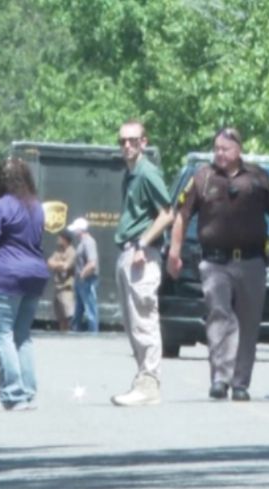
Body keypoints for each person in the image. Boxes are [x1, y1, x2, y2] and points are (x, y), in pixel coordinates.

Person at [167, 127, 269, 402]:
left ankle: (241, 382)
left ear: (239, 150)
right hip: (214, 262)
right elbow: (181, 216)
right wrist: (174, 252)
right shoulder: (203, 177)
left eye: (226, 149)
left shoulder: (258, 177)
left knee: (248, 323)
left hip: (251, 262)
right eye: (217, 148)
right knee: (218, 316)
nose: (220, 154)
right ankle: (220, 379)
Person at [110, 119, 176, 406]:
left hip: (142, 256)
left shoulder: (148, 173)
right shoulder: (130, 174)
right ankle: (142, 380)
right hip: (127, 252)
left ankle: (150, 383)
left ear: (144, 142)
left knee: (144, 320)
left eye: (133, 140)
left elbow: (167, 213)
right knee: (131, 321)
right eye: (123, 141)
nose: (127, 146)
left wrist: (143, 242)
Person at [0, 158, 49, 411]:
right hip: (34, 275)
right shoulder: (37, 208)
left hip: (5, 276)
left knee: (4, 336)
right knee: (23, 336)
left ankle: (14, 393)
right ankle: (27, 391)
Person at [68, 217, 99, 333]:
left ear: (80, 230)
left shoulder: (89, 242)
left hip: (88, 280)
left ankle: (94, 334)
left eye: (75, 229)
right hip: (82, 281)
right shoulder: (83, 243)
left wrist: (82, 274)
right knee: (79, 309)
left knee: (90, 309)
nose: (74, 232)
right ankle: (76, 331)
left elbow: (92, 263)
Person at [47, 230, 77, 332]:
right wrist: (60, 264)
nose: (58, 240)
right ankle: (63, 336)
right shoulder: (58, 251)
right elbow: (49, 262)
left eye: (60, 238)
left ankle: (70, 337)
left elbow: (66, 267)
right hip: (57, 288)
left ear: (65, 240)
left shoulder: (72, 252)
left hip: (66, 289)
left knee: (68, 316)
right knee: (60, 317)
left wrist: (57, 264)